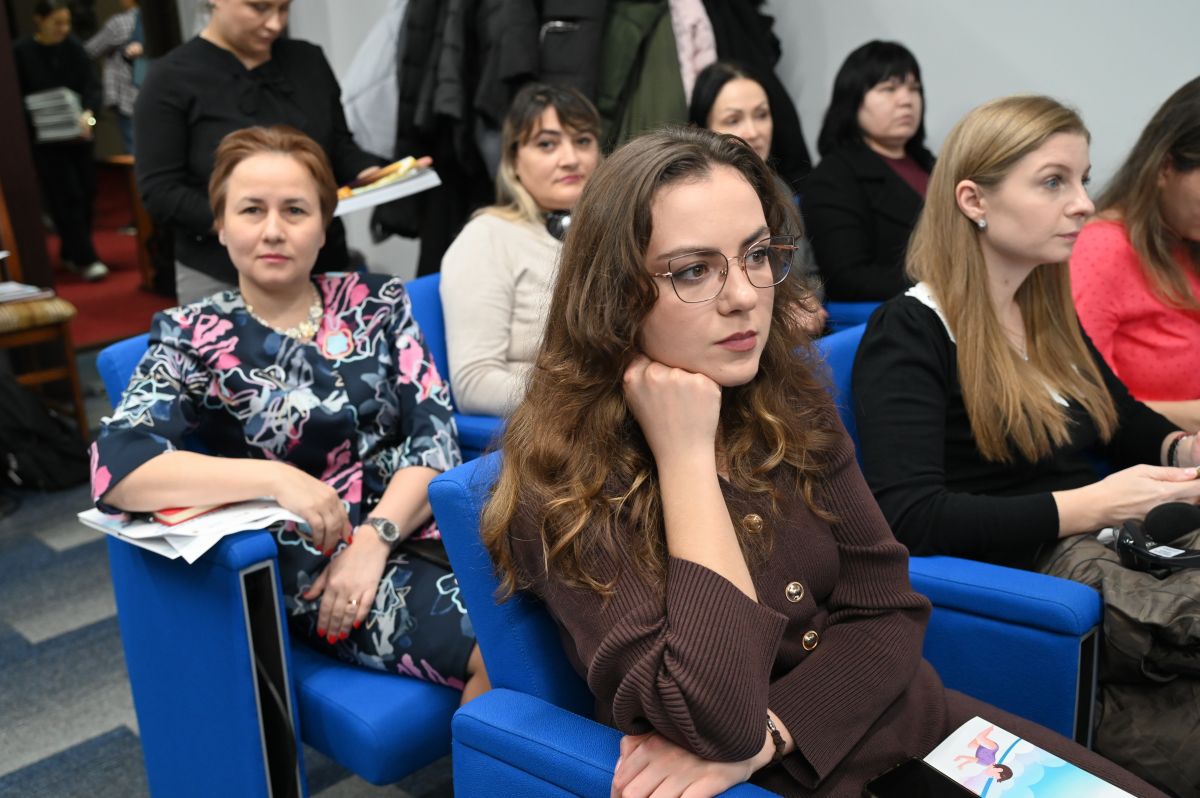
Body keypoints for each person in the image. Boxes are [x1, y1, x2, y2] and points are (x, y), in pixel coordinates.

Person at [478, 127, 1161, 798]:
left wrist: (778, 728)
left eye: (756, 255)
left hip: (908, 727)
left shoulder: (786, 399)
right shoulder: (566, 482)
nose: (744, 295)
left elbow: (890, 611)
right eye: (693, 271)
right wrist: (684, 456)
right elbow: (716, 718)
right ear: (614, 294)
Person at [853, 95, 1200, 795]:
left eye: (1082, 179)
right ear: (974, 200)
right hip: (1035, 566)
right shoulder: (912, 330)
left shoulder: (1043, 311)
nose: (1083, 204)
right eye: (1053, 182)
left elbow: (1123, 420)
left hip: (1110, 546)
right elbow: (910, 516)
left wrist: (1181, 452)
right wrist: (1095, 503)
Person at [91, 126, 488, 701]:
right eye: (252, 209)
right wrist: (277, 478)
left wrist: (375, 538)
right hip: (321, 572)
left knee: (576, 606)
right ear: (220, 224)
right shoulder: (193, 336)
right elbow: (120, 468)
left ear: (324, 226)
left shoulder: (378, 302)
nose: (273, 230)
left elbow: (435, 437)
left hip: (424, 523)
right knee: (499, 649)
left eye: (295, 210)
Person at [133, 0, 385, 304]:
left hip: (323, 261)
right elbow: (160, 191)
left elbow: (338, 147)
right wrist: (245, 224)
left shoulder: (308, 60)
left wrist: (380, 175)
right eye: (259, 8)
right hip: (221, 273)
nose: (275, 24)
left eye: (284, 9)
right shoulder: (170, 78)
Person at [438, 83, 601, 417]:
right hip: (562, 425)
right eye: (547, 144)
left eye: (583, 141)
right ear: (513, 160)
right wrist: (590, 397)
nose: (571, 159)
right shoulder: (487, 238)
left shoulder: (617, 234)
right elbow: (474, 383)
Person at [1071, 77, 1200, 431]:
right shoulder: (1102, 250)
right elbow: (1083, 405)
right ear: (1165, 168)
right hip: (1141, 456)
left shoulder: (1187, 240)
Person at [689, 61, 826, 334]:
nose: (753, 132)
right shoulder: (693, 201)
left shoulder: (780, 188)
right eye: (733, 120)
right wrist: (779, 313)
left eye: (762, 115)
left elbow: (809, 272)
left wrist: (808, 301)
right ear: (703, 129)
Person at [803, 40, 934, 302]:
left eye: (914, 89)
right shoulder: (834, 177)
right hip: (899, 310)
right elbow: (847, 278)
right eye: (889, 89)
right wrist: (941, 281)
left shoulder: (932, 164)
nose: (906, 100)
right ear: (853, 102)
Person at [13, 0, 109, 282]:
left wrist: (89, 114)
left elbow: (92, 85)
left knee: (87, 191)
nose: (63, 29)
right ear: (39, 20)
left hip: (79, 136)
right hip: (46, 142)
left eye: (66, 23)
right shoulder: (21, 52)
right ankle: (85, 257)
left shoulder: (73, 47)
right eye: (56, 22)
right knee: (66, 196)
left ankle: (72, 251)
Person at [84, 0, 141, 154]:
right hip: (154, 91)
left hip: (128, 96)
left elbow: (88, 51)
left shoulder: (119, 23)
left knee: (135, 150)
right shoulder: (156, 20)